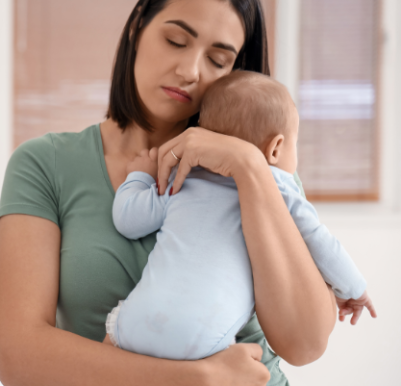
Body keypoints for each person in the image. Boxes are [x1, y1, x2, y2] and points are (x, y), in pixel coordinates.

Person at [0, 0, 338, 385]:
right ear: (137, 27)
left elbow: (304, 345)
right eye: (176, 40)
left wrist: (248, 165)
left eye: (218, 60)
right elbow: (18, 356)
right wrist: (197, 379)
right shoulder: (47, 164)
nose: (189, 71)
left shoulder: (266, 171)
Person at [103, 70, 377, 361]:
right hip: (203, 343)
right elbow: (323, 244)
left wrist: (139, 176)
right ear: (275, 148)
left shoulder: (182, 178)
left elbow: (128, 221)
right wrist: (354, 288)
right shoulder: (281, 191)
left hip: (135, 325)